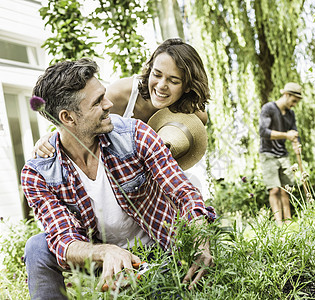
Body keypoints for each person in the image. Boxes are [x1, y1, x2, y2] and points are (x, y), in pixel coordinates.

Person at [21, 58, 216, 299]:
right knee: (37, 247)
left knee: (162, 292)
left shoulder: (135, 134)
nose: (109, 104)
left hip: (160, 253)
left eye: (104, 94)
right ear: (68, 118)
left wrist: (199, 236)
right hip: (102, 259)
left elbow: (182, 190)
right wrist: (106, 253)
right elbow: (62, 239)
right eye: (97, 102)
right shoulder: (39, 173)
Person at [32, 38, 209, 170]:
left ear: (187, 87)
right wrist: (50, 137)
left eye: (174, 80)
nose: (161, 85)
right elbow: (82, 117)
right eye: (157, 74)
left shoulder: (193, 113)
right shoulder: (121, 94)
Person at [259, 82, 302, 225]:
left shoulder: (290, 114)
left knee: (286, 189)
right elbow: (263, 132)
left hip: (283, 154)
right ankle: (279, 223)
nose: (294, 104)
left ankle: (288, 222)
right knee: (274, 189)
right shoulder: (268, 108)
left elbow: (294, 133)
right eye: (294, 100)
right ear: (286, 95)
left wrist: (297, 144)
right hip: (268, 154)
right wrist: (286, 135)